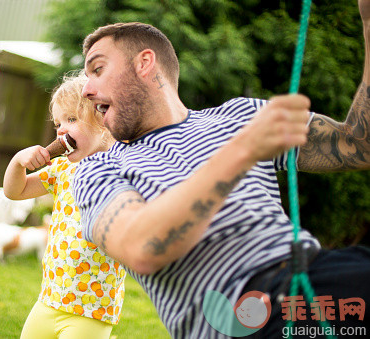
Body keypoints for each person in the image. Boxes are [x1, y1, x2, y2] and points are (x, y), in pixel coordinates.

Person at [73, 1, 370, 338]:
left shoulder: (240, 116)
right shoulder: (98, 169)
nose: (86, 89)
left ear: (144, 63)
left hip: (324, 275)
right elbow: (141, 248)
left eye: (97, 69)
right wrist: (244, 150)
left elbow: (359, 145)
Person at [3, 72, 126, 339]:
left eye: (71, 119)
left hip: (92, 307)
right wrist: (18, 162)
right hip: (50, 298)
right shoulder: (61, 169)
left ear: (104, 120)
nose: (61, 130)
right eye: (58, 123)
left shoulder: (121, 169)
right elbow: (15, 190)